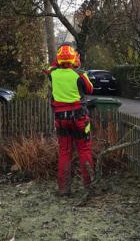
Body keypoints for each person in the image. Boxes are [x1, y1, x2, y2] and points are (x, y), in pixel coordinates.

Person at [46, 43, 94, 196]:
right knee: (84, 150)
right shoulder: (79, 74)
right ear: (74, 58)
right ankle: (89, 187)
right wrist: (76, 63)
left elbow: (50, 66)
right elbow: (90, 89)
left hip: (61, 119)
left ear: (58, 59)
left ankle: (63, 189)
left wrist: (62, 59)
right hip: (79, 118)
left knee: (64, 151)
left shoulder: (52, 73)